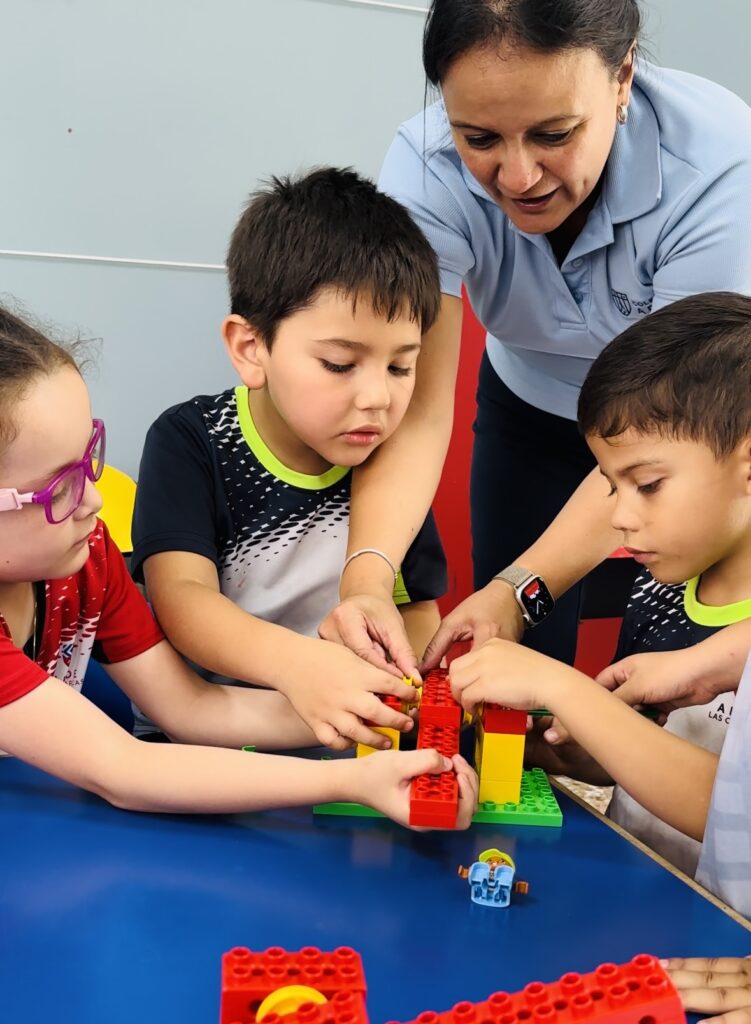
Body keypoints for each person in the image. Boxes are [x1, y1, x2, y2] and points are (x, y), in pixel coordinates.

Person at [318, 0, 751, 678]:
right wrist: (368, 578)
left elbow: (671, 430)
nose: (517, 179)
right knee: (507, 659)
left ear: (622, 78)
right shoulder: (425, 165)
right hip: (528, 406)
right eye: (479, 139)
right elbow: (418, 408)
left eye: (554, 134)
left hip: (689, 435)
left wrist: (523, 588)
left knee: (665, 663)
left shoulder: (720, 165)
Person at [0, 305, 478, 827]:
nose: (93, 501)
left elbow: (190, 707)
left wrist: (379, 708)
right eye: (60, 487)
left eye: (88, 458)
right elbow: (122, 768)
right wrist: (348, 781)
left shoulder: (87, 558)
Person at [130, 168, 447, 750]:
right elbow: (183, 600)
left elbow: (415, 608)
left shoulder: (387, 466)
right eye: (340, 364)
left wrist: (417, 685)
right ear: (252, 349)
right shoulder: (192, 440)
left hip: (347, 742)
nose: (378, 398)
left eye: (401, 366)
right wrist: (302, 668)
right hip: (202, 744)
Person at [449, 292, 751, 884]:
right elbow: (630, 756)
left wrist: (564, 687)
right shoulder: (658, 590)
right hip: (641, 903)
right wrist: (539, 736)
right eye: (613, 487)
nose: (619, 517)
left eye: (647, 484)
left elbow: (725, 811)